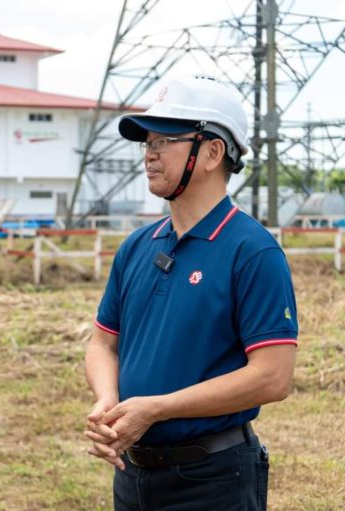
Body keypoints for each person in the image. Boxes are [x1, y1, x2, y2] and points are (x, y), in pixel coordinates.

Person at [83, 76, 298, 510]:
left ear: (213, 152)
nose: (150, 155)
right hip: (133, 473)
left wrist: (157, 408)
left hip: (212, 479)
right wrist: (108, 401)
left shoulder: (252, 252)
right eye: (147, 143)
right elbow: (103, 343)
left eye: (165, 140)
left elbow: (273, 377)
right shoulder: (137, 247)